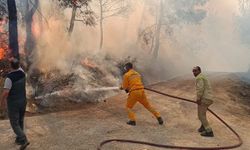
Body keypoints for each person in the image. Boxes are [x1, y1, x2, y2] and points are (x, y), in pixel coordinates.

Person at [0, 58, 30, 149]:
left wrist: (1, 102)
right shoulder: (22, 73)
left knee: (14, 123)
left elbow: (5, 93)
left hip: (14, 104)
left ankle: (23, 139)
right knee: (20, 120)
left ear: (10, 66)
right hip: (23, 101)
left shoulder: (9, 78)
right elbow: (17, 67)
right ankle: (19, 139)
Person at [192, 66, 214, 137]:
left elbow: (200, 89)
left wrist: (198, 99)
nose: (194, 72)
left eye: (195, 71)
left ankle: (209, 131)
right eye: (193, 71)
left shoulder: (199, 78)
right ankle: (203, 127)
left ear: (199, 71)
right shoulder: (202, 76)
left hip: (205, 99)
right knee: (203, 114)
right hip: (209, 98)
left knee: (201, 115)